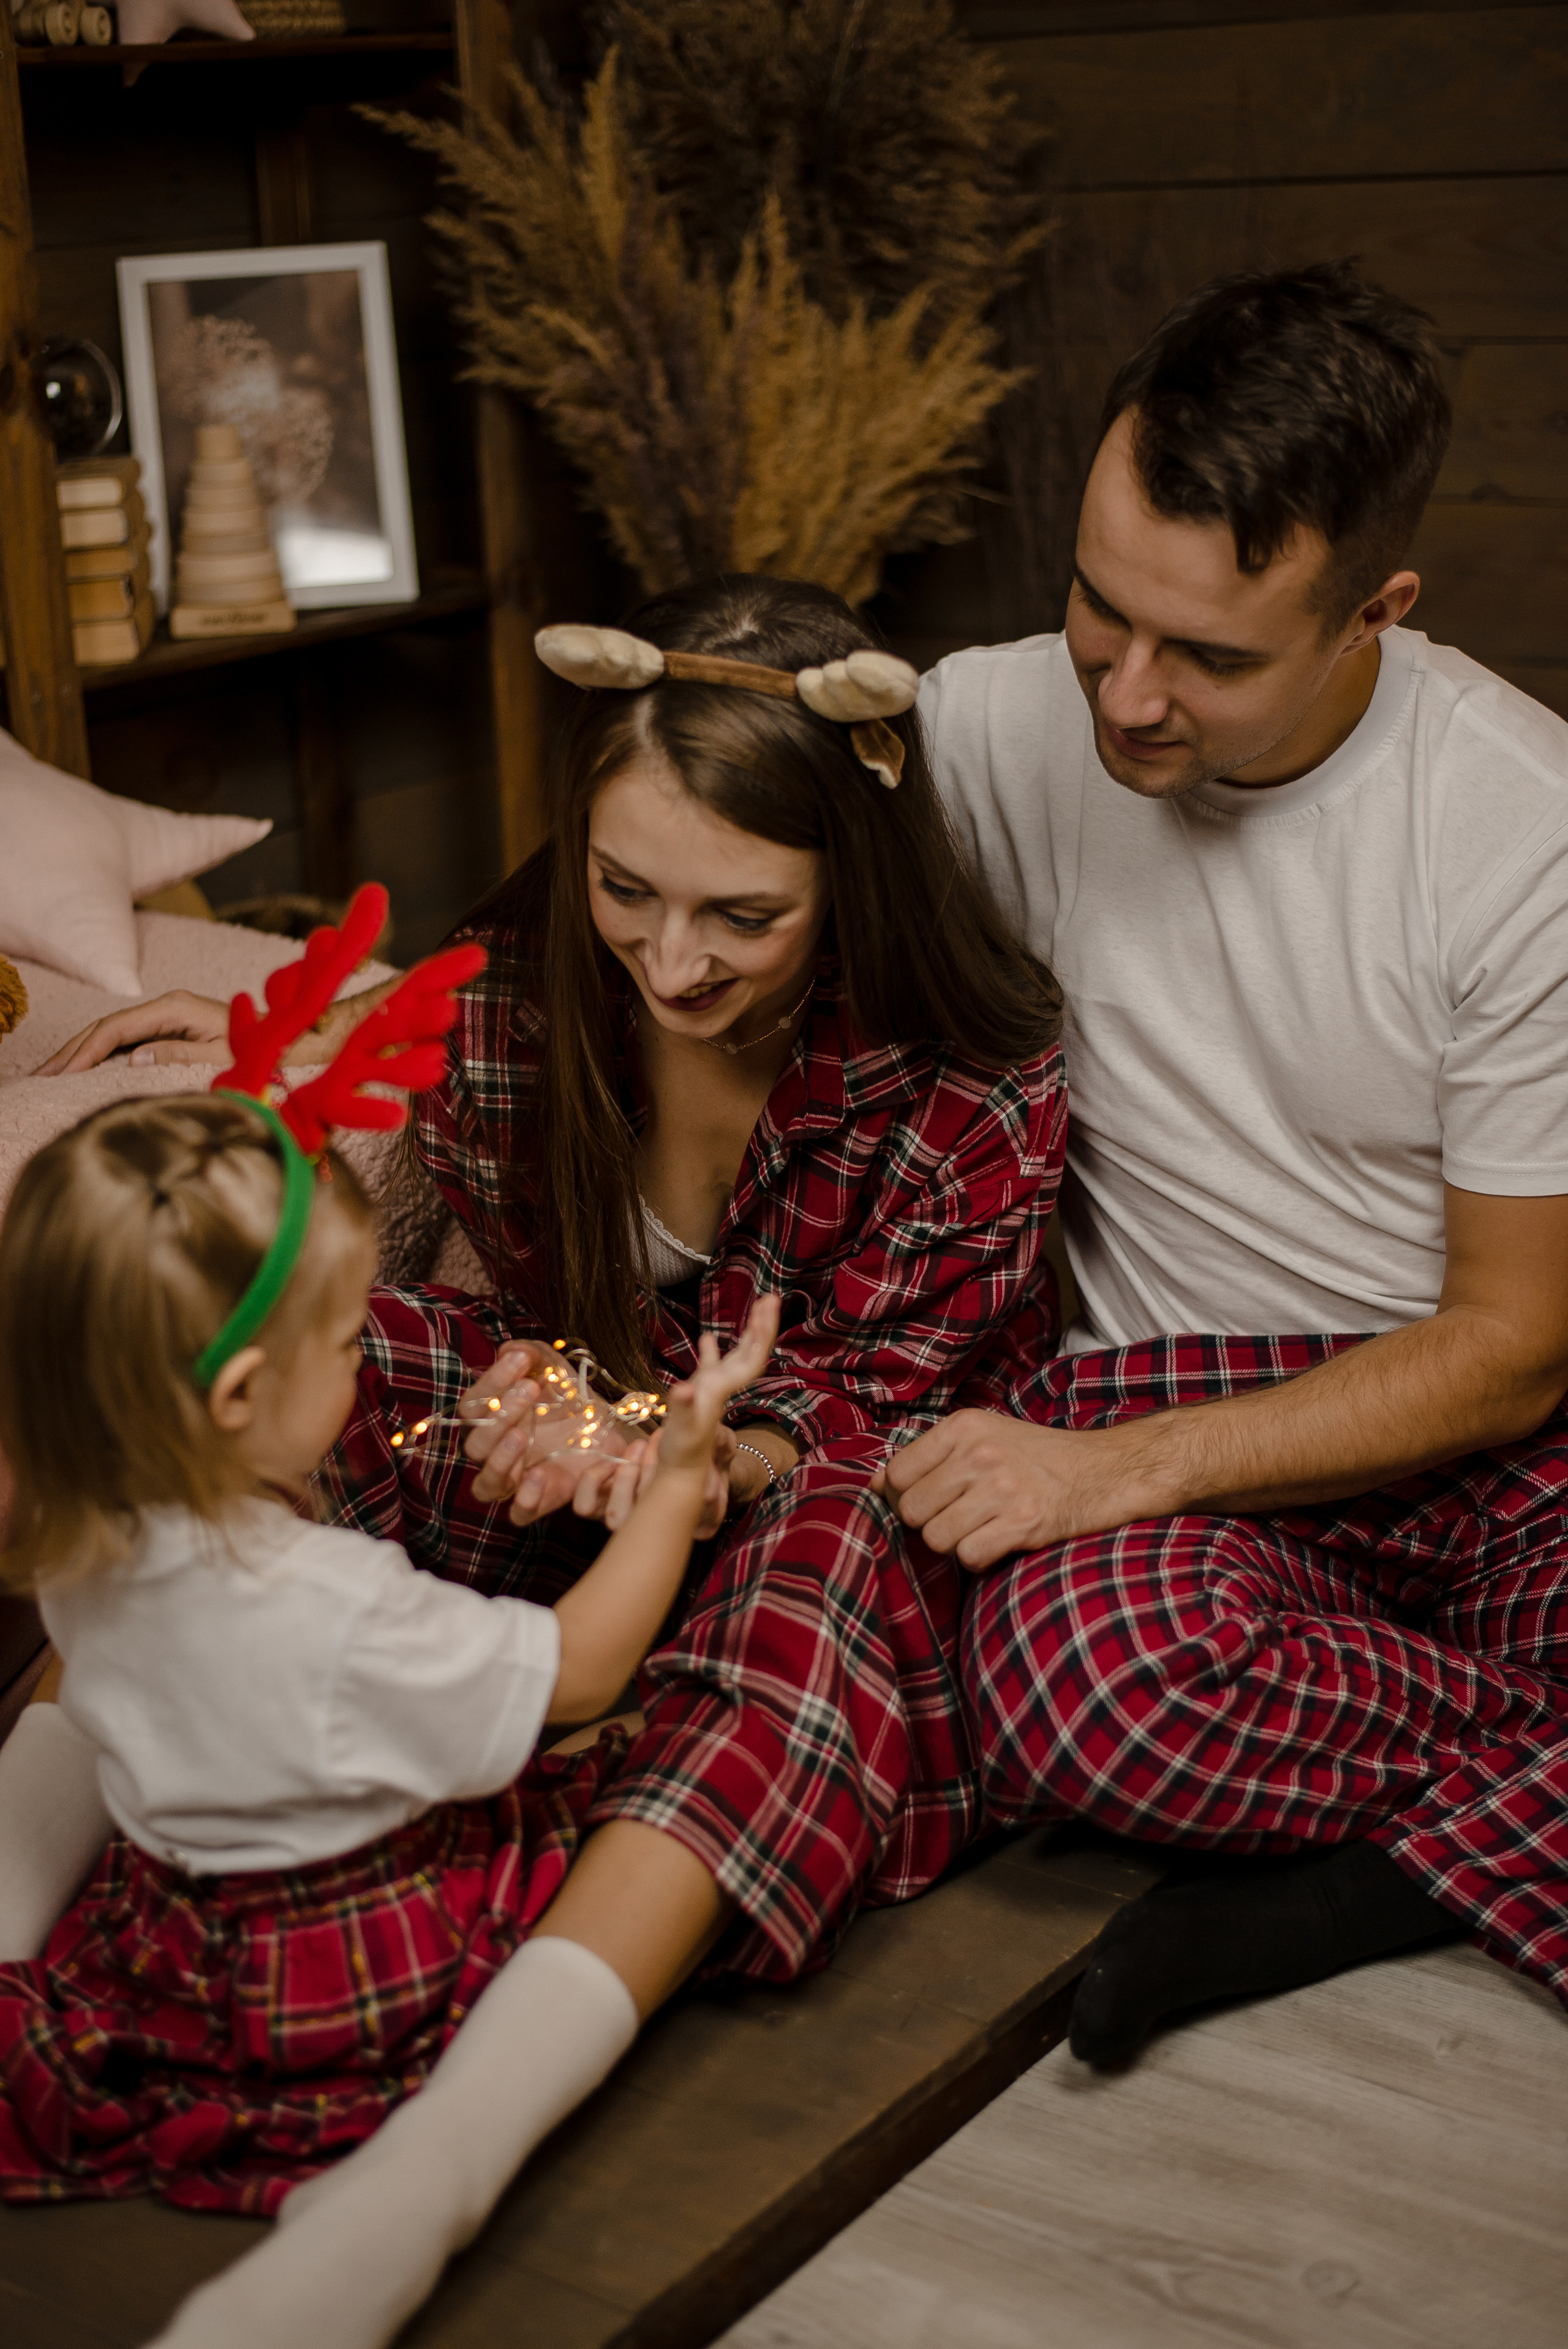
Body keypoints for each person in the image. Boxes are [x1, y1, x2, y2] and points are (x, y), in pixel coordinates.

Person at [30, 577, 1066, 2336]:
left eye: (744, 915)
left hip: (797, 1504)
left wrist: (667, 1455)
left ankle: (427, 2179)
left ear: (852, 881)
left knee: (825, 1548)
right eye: (625, 890)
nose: (669, 963)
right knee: (264, 1369)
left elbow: (875, 1416)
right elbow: (444, 1269)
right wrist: (485, 1342)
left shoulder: (974, 1089)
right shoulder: (523, 995)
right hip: (565, 1451)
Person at [883, 257, 1568, 2065]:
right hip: (1166, 1442)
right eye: (1104, 611)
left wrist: (1110, 1476)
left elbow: (1513, 1347)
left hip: (1472, 1430)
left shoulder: (1519, 824)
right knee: (1075, 1679)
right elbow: (667, 868)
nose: (1127, 695)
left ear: (1376, 614)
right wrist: (338, 1024)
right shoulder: (979, 722)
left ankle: (1374, 1869)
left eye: (1212, 655)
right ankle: (1499, 1819)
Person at [0, 1052, 778, 2337]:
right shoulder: (330, 1606)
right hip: (341, 1963)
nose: (370, 1362)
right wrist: (682, 1466)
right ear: (242, 1397)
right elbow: (579, 1666)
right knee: (632, 1770)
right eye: (351, 1338)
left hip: (178, 1946)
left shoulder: (87, 1559)